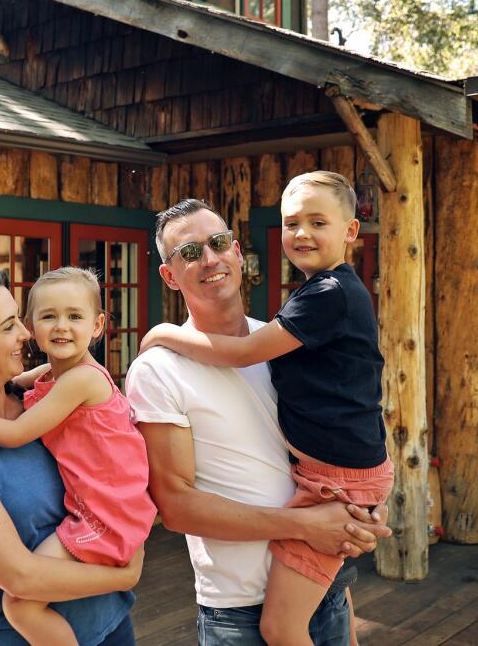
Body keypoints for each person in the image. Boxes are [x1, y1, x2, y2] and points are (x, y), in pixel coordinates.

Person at [127, 197, 391, 646]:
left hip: (323, 585)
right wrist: (309, 525)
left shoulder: (283, 342)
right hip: (238, 609)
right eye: (189, 252)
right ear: (169, 276)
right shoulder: (158, 370)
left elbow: (334, 442)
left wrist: (359, 513)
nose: (209, 258)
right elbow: (176, 506)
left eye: (218, 242)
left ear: (235, 252)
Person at [0, 267, 156, 645]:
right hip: (23, 637)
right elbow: (19, 577)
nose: (27, 334)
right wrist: (123, 575)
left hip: (109, 620)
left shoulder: (39, 402)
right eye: (10, 325)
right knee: (19, 603)